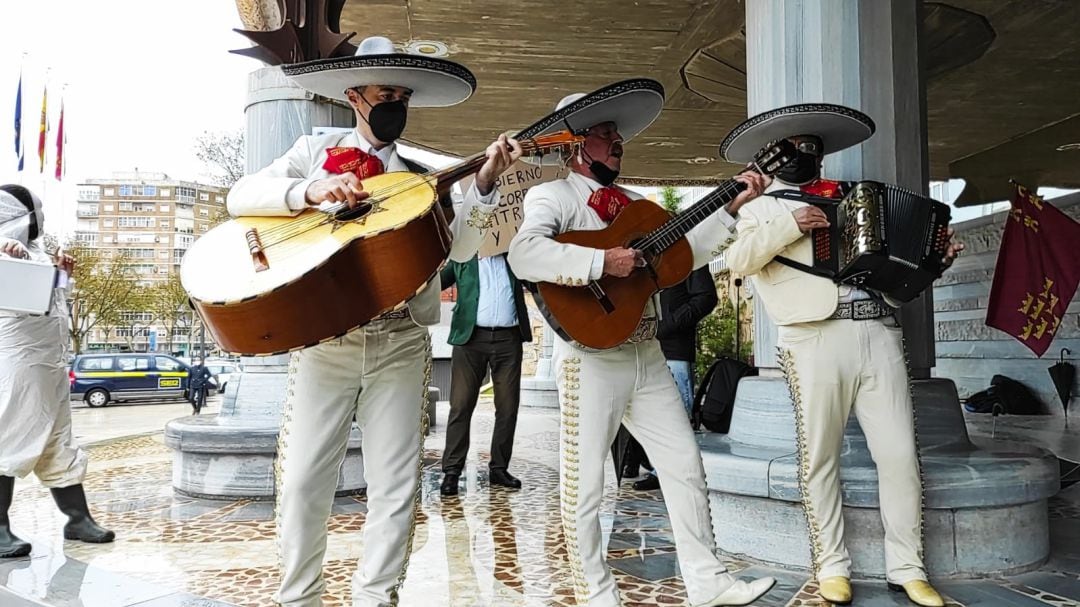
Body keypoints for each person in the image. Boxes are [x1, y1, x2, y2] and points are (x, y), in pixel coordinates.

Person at [226, 37, 521, 607]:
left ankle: (377, 596)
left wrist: (482, 185)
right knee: (304, 478)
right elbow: (243, 195)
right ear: (356, 96)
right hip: (327, 341)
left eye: (404, 96)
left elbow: (458, 249)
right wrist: (309, 190)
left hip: (401, 342)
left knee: (396, 484)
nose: (397, 104)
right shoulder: (315, 148)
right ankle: (299, 598)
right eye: (387, 93)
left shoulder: (420, 176)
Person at [507, 79, 775, 607]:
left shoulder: (638, 205)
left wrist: (731, 206)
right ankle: (594, 591)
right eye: (605, 134)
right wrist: (599, 261)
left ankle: (708, 582)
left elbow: (685, 254)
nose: (617, 142)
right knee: (585, 484)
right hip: (589, 358)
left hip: (647, 352)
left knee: (684, 465)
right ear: (577, 144)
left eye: (618, 135)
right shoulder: (552, 195)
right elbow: (524, 255)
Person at [720, 103, 964, 607]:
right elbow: (738, 262)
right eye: (795, 150)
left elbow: (892, 280)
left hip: (877, 331)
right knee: (819, 458)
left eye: (813, 150)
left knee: (899, 455)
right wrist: (790, 224)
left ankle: (909, 567)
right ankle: (831, 566)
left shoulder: (854, 201)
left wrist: (930, 266)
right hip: (811, 337)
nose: (805, 157)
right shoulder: (760, 208)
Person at [0, 184, 115, 559]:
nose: (42, 221)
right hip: (17, 363)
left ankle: (77, 519)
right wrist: (10, 259)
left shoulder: (35, 252)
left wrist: (61, 272)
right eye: (37, 213)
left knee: (58, 440)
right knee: (9, 437)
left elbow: (52, 300)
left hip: (50, 362)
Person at [439, 253, 532, 496]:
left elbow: (536, 281)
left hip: (508, 339)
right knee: (460, 405)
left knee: (508, 407)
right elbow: (437, 282)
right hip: (470, 340)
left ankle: (499, 469)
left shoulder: (515, 258)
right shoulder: (463, 258)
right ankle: (451, 471)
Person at [630, 265, 719, 491]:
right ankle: (651, 466)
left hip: (675, 349)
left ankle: (667, 473)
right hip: (645, 348)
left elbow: (706, 297)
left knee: (677, 415)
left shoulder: (689, 255)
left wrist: (669, 324)